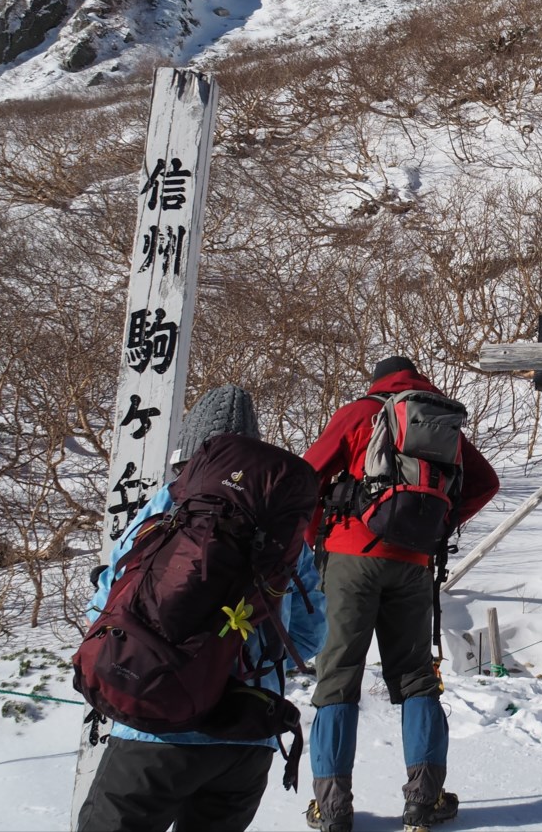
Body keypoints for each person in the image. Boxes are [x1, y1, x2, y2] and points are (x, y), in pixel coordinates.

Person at [79, 385, 327, 832]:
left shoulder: (169, 506)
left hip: (154, 729)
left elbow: (103, 610)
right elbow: (309, 636)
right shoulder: (286, 533)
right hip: (247, 739)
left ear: (193, 453)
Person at [303, 357, 499, 832]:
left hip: (349, 557)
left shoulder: (359, 412)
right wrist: (438, 523)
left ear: (377, 381)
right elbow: (486, 482)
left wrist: (316, 539)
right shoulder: (438, 421)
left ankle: (332, 808)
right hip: (413, 563)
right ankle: (423, 802)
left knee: (338, 677)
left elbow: (305, 476)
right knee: (415, 678)